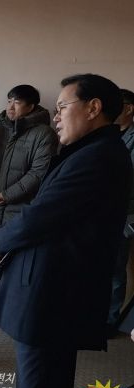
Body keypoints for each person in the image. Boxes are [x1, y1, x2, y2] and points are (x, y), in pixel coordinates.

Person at [0, 73, 131, 388]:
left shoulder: (98, 156)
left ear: (93, 108)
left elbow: (42, 215)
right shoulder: (92, 150)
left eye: (63, 107)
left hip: (54, 296)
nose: (56, 116)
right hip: (57, 291)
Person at [0, 85, 57, 308]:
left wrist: (8, 195)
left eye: (17, 102)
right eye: (9, 101)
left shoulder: (44, 134)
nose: (11, 107)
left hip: (21, 205)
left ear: (31, 107)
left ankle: (9, 301)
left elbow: (38, 173)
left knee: (14, 253)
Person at [108, 89, 134, 336]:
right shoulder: (107, 134)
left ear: (129, 108)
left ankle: (110, 321)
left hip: (124, 215)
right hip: (98, 213)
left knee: (115, 270)